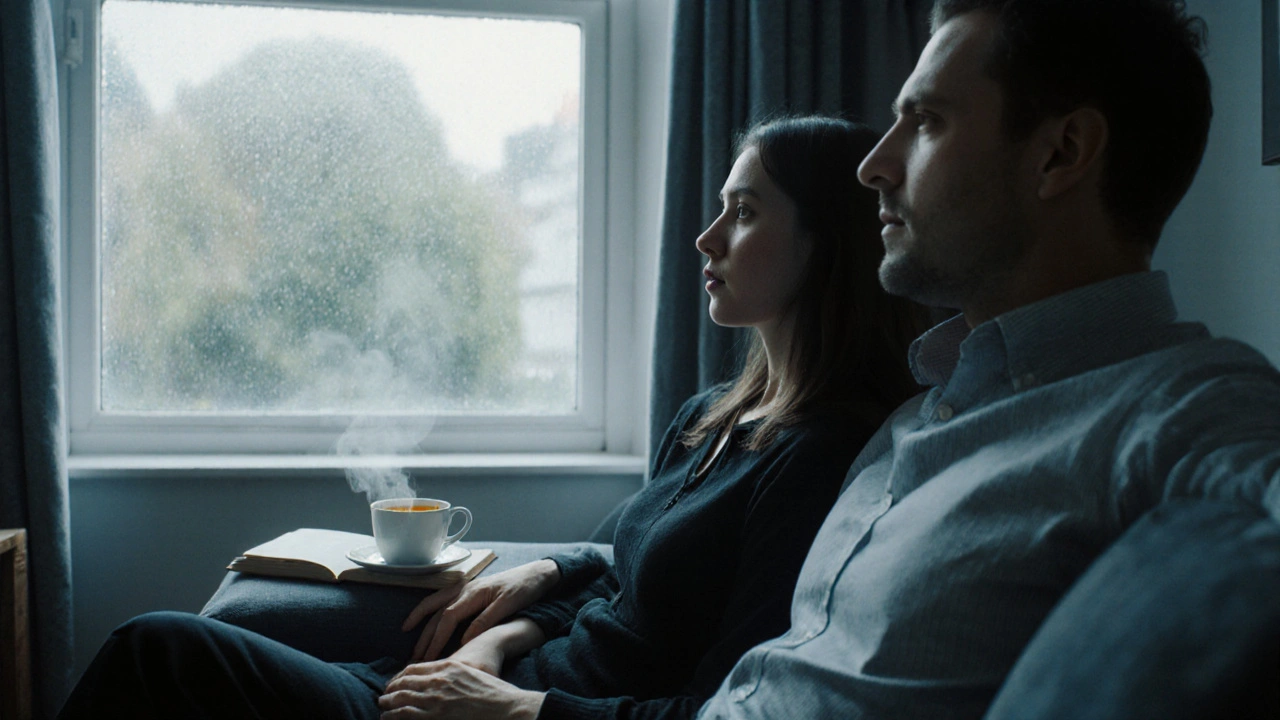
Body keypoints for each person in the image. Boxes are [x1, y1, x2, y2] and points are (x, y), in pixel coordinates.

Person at [57, 116, 927, 720]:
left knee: (159, 652)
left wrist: (519, 709)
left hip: (514, 714)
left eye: (744, 214)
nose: (706, 239)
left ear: (828, 245)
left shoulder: (819, 458)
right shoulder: (711, 419)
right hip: (472, 683)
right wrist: (506, 632)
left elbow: (727, 703)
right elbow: (622, 584)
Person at [695, 1, 1280, 719]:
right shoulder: (916, 413)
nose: (874, 165)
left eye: (926, 122)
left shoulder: (1191, 402)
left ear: (1059, 153)